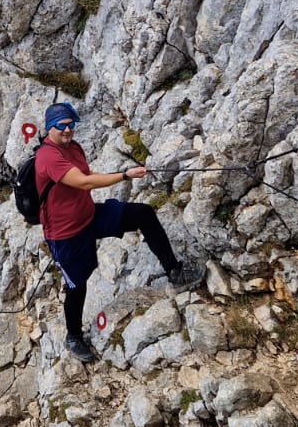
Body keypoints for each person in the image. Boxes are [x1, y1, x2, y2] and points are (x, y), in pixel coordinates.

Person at [35, 101, 201, 362]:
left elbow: (87, 173)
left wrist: (125, 173)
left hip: (89, 216)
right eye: (61, 126)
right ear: (49, 128)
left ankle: (175, 271)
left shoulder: (72, 147)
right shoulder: (48, 156)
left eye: (70, 125)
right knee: (77, 286)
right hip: (66, 235)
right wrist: (124, 175)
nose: (67, 130)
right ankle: (73, 337)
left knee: (143, 214)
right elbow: (84, 182)